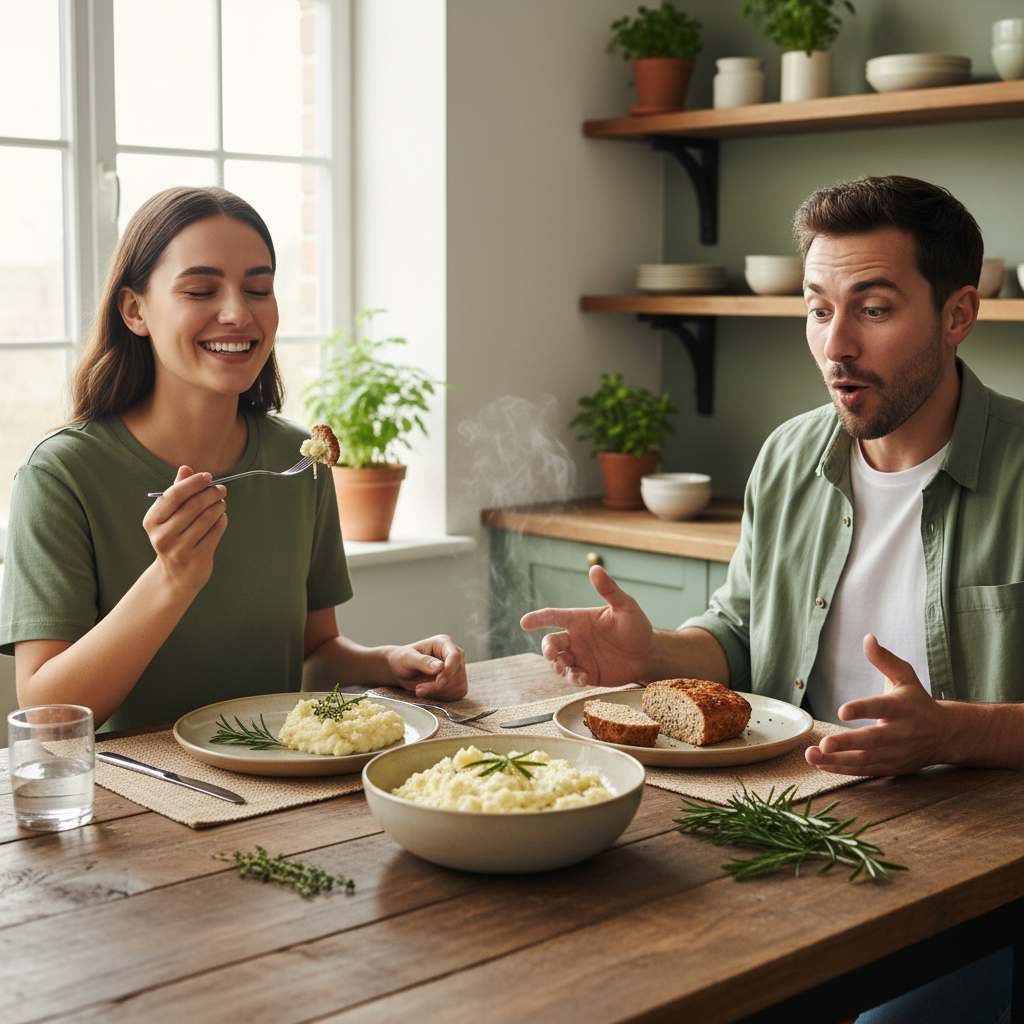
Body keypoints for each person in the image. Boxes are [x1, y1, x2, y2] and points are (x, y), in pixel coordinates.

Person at [521, 176, 1017, 1023]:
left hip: (981, 870)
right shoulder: (790, 456)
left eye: (874, 308)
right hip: (796, 824)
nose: (837, 347)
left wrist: (954, 733)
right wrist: (654, 658)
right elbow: (743, 633)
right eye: (819, 310)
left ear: (958, 314)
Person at [0, 186, 466, 732]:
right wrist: (171, 580)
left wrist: (387, 663)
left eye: (259, 288)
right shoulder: (62, 476)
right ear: (134, 310)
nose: (237, 312)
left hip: (276, 783)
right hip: (134, 796)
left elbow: (313, 653)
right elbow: (47, 715)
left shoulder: (299, 464)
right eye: (200, 290)